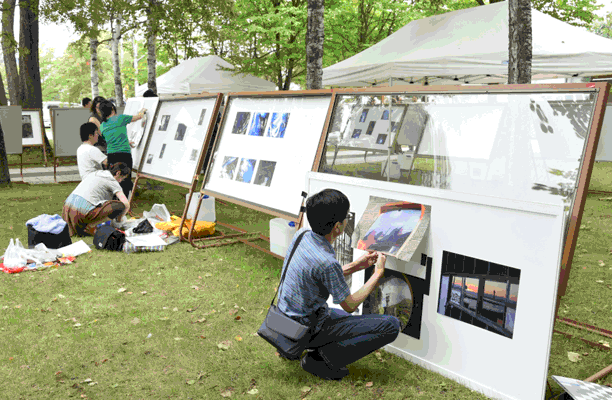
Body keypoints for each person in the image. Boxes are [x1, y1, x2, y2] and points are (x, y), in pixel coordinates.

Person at [277, 189, 400, 381]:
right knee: (391, 325)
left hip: (284, 319)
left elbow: (314, 274)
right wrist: (378, 273)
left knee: (349, 321)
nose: (347, 222)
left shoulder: (302, 235)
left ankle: (292, 345)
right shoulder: (327, 262)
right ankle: (320, 360)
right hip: (306, 326)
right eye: (346, 218)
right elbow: (350, 305)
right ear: (337, 226)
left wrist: (354, 266)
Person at [62, 162, 131, 237]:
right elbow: (126, 204)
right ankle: (89, 226)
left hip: (67, 207)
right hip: (80, 212)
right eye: (122, 178)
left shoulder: (96, 173)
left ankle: (83, 226)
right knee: (119, 206)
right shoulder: (111, 180)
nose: (120, 181)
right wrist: (119, 220)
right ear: (118, 173)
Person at [99, 100, 146, 198]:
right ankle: (123, 204)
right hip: (124, 154)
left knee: (114, 179)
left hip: (111, 155)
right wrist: (143, 110)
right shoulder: (120, 118)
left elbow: (112, 138)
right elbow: (139, 117)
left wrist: (126, 141)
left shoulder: (102, 126)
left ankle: (113, 201)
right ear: (112, 109)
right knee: (125, 179)